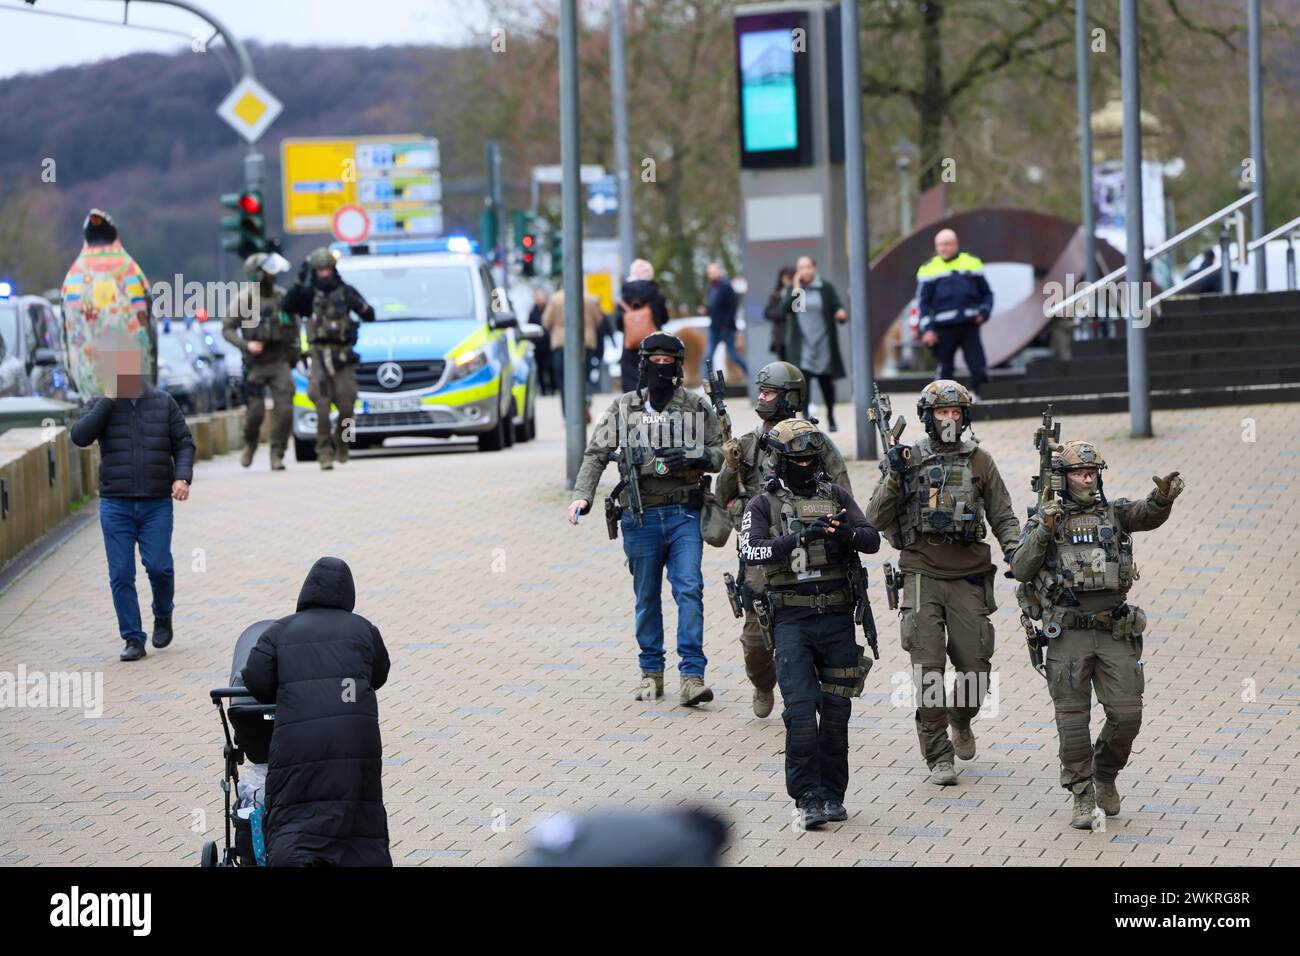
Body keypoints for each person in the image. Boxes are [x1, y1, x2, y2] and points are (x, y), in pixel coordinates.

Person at [1011, 441, 1182, 829]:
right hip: (1067, 632)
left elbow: (1146, 514)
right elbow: (1020, 569)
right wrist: (1043, 528)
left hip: (1114, 629)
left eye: (1091, 472)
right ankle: (1082, 793)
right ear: (1064, 478)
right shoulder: (1044, 517)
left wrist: (1163, 497)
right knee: (1072, 723)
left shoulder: (1114, 511)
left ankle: (1104, 774)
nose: (1087, 479)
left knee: (1127, 714)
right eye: (1078, 473)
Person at [865, 380, 1020, 786]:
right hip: (921, 574)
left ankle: (961, 719)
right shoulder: (907, 458)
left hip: (968, 575)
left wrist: (1017, 554)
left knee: (975, 669)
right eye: (941, 412)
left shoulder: (980, 461)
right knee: (928, 671)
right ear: (927, 417)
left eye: (955, 413)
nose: (949, 419)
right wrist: (895, 476)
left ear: (964, 417)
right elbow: (874, 518)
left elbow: (1004, 515)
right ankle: (938, 755)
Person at [567, 332, 724, 706]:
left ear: (678, 365)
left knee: (689, 589)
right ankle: (651, 673)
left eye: (668, 361)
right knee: (646, 598)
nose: (661, 368)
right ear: (642, 365)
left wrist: (695, 455)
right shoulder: (624, 409)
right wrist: (581, 497)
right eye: (653, 360)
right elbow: (596, 452)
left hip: (685, 512)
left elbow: (723, 455)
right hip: (641, 517)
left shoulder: (697, 408)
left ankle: (691, 676)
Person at [739, 419, 879, 829]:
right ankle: (806, 798)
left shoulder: (834, 495)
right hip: (792, 621)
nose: (804, 465)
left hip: (837, 618)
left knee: (836, 712)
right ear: (781, 461)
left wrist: (845, 536)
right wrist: (798, 539)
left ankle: (833, 795)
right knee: (801, 711)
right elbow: (752, 549)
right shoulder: (762, 505)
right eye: (796, 458)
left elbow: (871, 538)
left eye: (810, 458)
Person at [715, 362, 852, 717]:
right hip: (763, 557)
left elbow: (843, 494)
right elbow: (720, 496)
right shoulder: (747, 445)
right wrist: (730, 468)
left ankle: (812, 695)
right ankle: (763, 683)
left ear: (789, 398)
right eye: (760, 392)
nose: (762, 398)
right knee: (755, 644)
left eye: (770, 393)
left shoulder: (818, 445)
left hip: (813, 556)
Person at [240, 556, 392, 866]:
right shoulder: (364, 629)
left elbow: (255, 679)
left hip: (300, 742)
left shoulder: (280, 631)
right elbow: (379, 675)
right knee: (360, 814)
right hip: (356, 741)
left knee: (298, 811)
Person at [70, 328, 195, 662]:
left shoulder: (163, 402)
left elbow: (184, 442)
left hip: (156, 503)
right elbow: (80, 437)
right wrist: (109, 399)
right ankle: (133, 638)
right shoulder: (100, 405)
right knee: (121, 573)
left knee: (160, 567)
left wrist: (182, 477)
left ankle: (163, 613)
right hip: (116, 504)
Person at [281, 247, 375, 470]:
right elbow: (287, 306)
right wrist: (298, 282)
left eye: (327, 269)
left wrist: (361, 306)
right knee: (321, 406)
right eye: (320, 270)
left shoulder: (345, 291)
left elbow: (369, 314)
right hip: (319, 357)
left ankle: (343, 443)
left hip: (343, 357)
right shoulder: (308, 294)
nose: (324, 274)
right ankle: (324, 452)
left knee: (347, 407)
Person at [226, 252, 299, 470]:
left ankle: (277, 453)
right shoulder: (244, 299)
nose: (272, 276)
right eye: (267, 272)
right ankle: (250, 443)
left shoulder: (281, 297)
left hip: (279, 361)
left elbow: (294, 329)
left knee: (285, 410)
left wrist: (294, 356)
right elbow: (227, 328)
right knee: (255, 414)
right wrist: (245, 345)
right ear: (257, 274)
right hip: (255, 364)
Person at [916, 229, 994, 398]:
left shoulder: (971, 262)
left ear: (956, 244)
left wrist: (984, 312)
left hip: (969, 324)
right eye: (940, 245)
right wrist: (928, 329)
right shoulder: (929, 268)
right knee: (945, 368)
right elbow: (923, 302)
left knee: (977, 364)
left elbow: (987, 293)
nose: (943, 248)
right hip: (943, 328)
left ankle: (985, 399)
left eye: (947, 244)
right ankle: (944, 403)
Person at [779, 256, 846, 431]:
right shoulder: (797, 290)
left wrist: (840, 312)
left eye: (808, 267)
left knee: (826, 385)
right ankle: (806, 419)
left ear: (814, 268)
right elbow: (785, 310)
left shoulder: (824, 287)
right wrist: (796, 288)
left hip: (822, 343)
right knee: (803, 384)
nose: (805, 271)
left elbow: (836, 305)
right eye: (801, 267)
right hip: (803, 346)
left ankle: (831, 415)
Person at [541, 287, 603, 419]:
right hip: (586, 342)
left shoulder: (555, 299)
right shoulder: (589, 298)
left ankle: (568, 413)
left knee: (564, 380)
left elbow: (546, 321)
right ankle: (585, 398)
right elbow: (599, 320)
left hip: (561, 342)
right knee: (584, 376)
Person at [615, 258, 669, 392]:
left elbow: (619, 324)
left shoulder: (624, 297)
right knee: (654, 373)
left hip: (631, 345)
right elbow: (664, 318)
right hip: (654, 343)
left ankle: (633, 407)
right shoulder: (657, 295)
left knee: (630, 378)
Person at [698, 262, 746, 380]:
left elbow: (731, 309)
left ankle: (751, 374)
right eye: (710, 273)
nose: (711, 275)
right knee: (708, 356)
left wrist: (725, 325)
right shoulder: (712, 288)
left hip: (726, 329)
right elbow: (714, 308)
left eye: (713, 272)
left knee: (734, 356)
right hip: (715, 328)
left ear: (719, 271)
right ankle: (709, 383)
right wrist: (706, 311)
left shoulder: (727, 287)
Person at [763, 265, 795, 362]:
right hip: (780, 337)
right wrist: (784, 314)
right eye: (786, 278)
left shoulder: (799, 293)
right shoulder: (776, 294)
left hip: (794, 337)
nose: (788, 281)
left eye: (791, 278)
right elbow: (767, 313)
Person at [528, 287, 555, 395]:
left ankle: (552, 388)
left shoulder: (548, 309)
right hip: (538, 344)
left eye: (541, 298)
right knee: (540, 368)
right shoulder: (533, 312)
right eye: (538, 298)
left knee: (551, 367)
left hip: (548, 343)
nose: (539, 300)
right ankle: (543, 389)